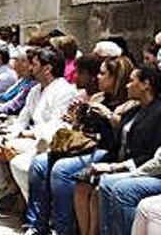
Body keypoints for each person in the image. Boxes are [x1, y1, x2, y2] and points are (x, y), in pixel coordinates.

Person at [0, 48, 76, 215]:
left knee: (11, 150)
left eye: (34, 64)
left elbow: (57, 124)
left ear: (47, 68)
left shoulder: (64, 90)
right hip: (29, 137)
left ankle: (35, 208)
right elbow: (23, 119)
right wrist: (11, 135)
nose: (30, 67)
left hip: (46, 140)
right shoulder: (35, 90)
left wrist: (27, 135)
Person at [24, 55, 130, 235]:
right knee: (39, 164)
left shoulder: (126, 104)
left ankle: (63, 229)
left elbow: (123, 135)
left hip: (105, 149)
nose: (98, 77)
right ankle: (36, 225)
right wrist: (75, 117)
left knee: (61, 170)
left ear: (115, 77)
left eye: (103, 74)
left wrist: (109, 116)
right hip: (84, 145)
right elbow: (80, 127)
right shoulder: (98, 97)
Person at [73, 64, 161, 235]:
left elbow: (151, 156)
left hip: (144, 168)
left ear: (146, 84)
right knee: (83, 182)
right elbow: (115, 139)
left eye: (131, 81)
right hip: (122, 161)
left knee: (109, 186)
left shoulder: (158, 113)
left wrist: (115, 167)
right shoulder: (134, 109)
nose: (127, 85)